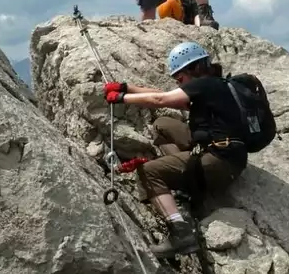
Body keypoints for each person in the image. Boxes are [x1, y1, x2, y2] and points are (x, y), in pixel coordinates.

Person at [103, 41, 248, 258]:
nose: (179, 83)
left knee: (148, 172)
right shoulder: (214, 84)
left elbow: (159, 99)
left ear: (194, 69)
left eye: (180, 78)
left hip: (220, 162)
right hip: (227, 154)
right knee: (163, 125)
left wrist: (121, 99)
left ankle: (181, 234)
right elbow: (166, 96)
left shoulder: (204, 85)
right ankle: (183, 175)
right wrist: (126, 88)